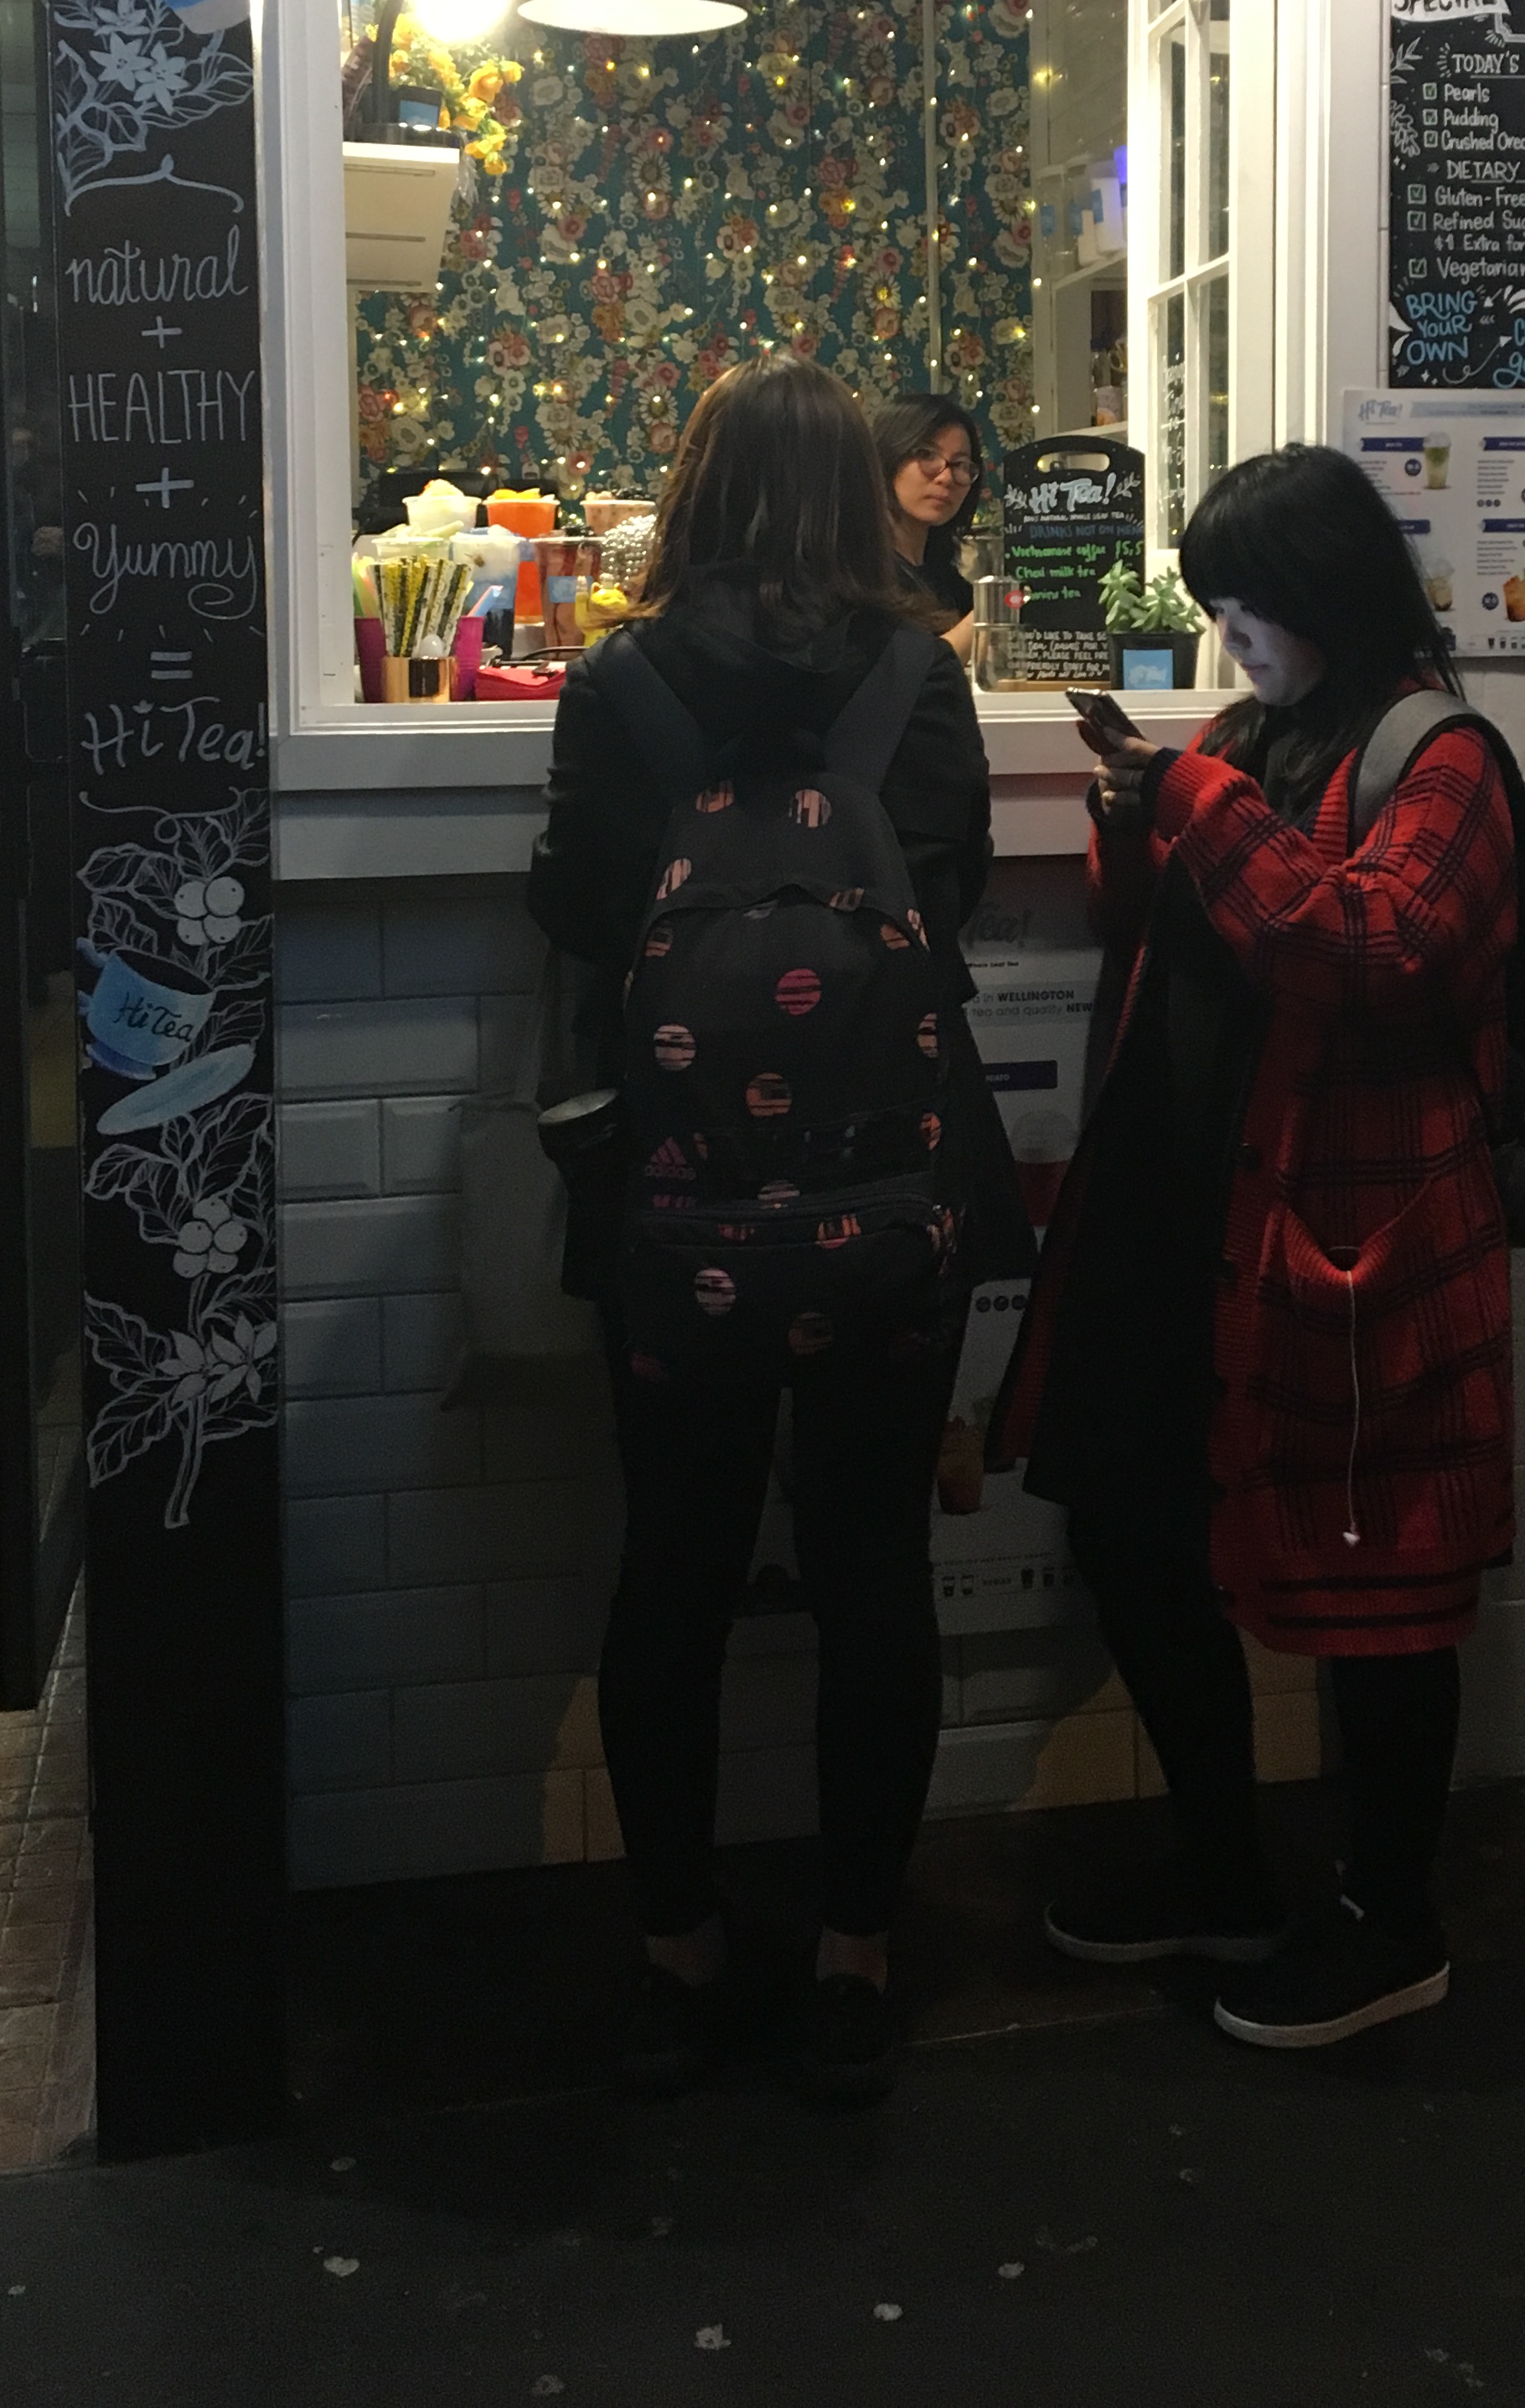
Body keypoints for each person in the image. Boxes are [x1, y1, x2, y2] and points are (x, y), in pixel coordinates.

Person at [526, 357, 1031, 2108]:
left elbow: (581, 907)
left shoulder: (619, 680)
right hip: (889, 1193)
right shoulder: (919, 673)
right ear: (852, 496)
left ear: (696, 486)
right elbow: (948, 899)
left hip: (674, 1199)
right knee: (873, 1565)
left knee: (674, 1559)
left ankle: (680, 1943)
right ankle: (858, 1947)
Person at [992, 444, 1517, 2049]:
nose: (1228, 637)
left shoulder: (1439, 756)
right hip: (1182, 1215)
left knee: (1378, 1581)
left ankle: (1390, 1922)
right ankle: (1221, 1866)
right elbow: (1166, 926)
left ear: (1327, 594)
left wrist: (1194, 802)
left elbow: (1366, 945)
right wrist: (1128, 821)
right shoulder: (1243, 736)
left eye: (1247, 606)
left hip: (1347, 1235)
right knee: (1129, 1528)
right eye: (1213, 606)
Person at [869, 392, 985, 664]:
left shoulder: (948, 580)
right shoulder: (859, 575)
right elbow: (902, 674)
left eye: (961, 464)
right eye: (926, 454)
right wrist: (991, 611)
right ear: (887, 459)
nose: (946, 477)